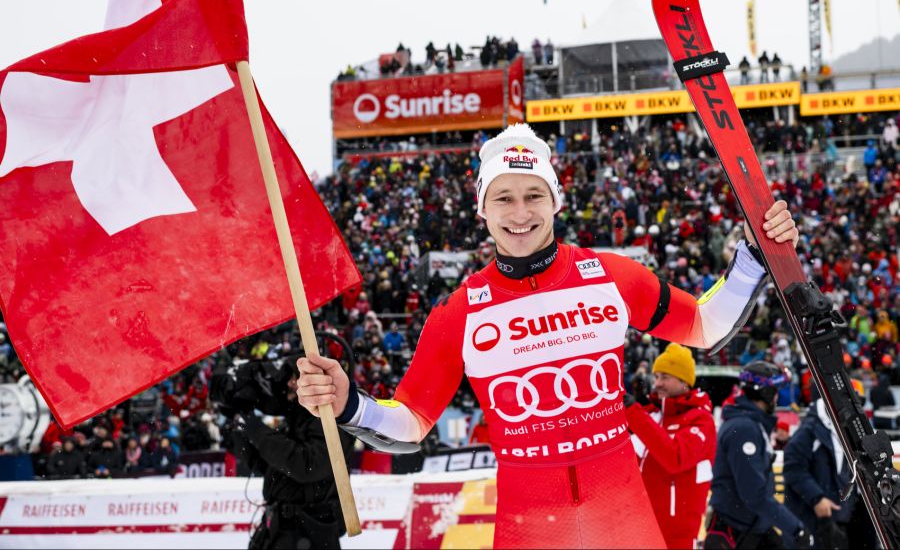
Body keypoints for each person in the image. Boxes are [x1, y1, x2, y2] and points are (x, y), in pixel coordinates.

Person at [298, 124, 800, 549]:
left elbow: (706, 327)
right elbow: (411, 423)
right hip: (530, 526)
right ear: (483, 209)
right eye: (505, 198)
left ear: (555, 200)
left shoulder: (610, 276)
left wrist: (757, 256)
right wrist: (349, 405)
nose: (521, 214)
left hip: (624, 517)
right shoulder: (458, 314)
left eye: (534, 195)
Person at [230, 357, 355, 550]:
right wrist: (241, 428)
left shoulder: (331, 419)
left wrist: (257, 430)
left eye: (296, 377)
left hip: (309, 530)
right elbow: (267, 467)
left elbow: (308, 466)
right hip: (279, 528)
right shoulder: (295, 416)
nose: (289, 383)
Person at [706, 361, 814, 548]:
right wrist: (795, 528)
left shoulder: (751, 424)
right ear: (766, 393)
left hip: (752, 528)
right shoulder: (744, 428)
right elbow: (754, 493)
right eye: (775, 391)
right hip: (736, 532)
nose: (777, 398)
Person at [624, 342, 716, 549]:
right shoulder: (651, 414)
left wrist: (633, 413)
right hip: (639, 531)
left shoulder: (701, 420)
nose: (657, 384)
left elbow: (675, 458)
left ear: (684, 382)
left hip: (676, 539)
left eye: (664, 377)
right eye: (656, 377)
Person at [783, 393, 876, 549]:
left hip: (840, 517)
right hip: (815, 518)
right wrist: (817, 498)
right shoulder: (810, 430)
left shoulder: (847, 431)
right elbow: (793, 468)